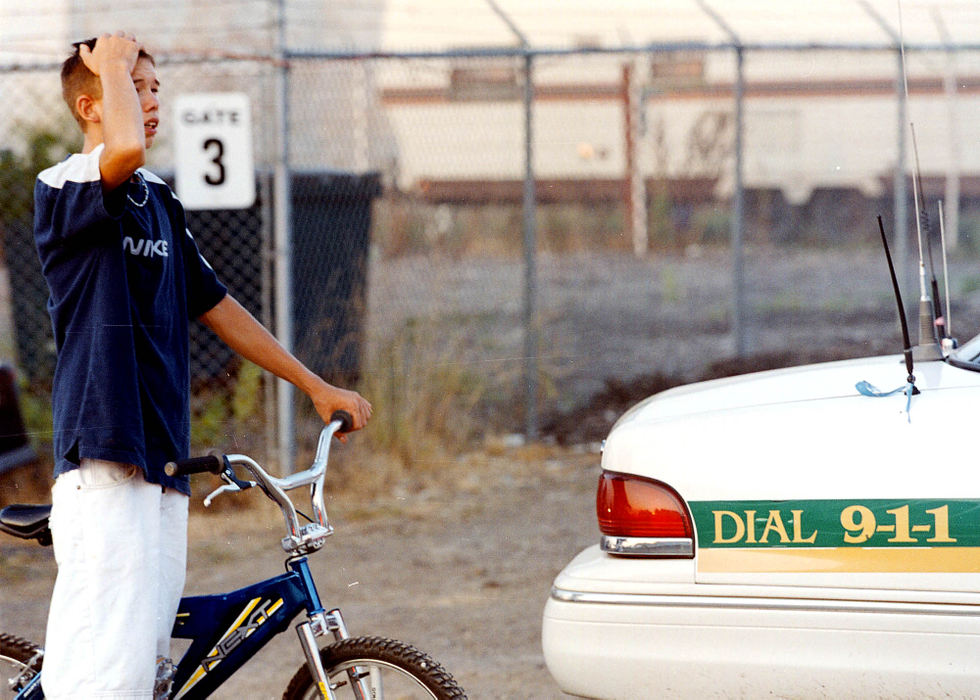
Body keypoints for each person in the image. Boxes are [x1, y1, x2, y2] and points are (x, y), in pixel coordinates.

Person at [32, 32, 372, 698]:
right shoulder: (66, 186)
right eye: (137, 87)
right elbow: (122, 147)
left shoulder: (158, 199)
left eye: (156, 87)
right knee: (107, 674)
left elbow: (216, 305)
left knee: (146, 668)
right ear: (88, 104)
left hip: (161, 459)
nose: (151, 100)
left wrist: (315, 385)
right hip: (105, 454)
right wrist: (110, 62)